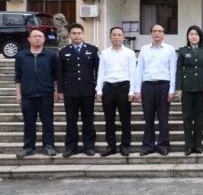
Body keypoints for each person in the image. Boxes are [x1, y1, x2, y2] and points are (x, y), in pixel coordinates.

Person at [133, 24, 177, 156]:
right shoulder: (144, 49)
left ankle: (163, 145)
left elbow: (173, 70)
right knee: (148, 118)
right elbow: (139, 70)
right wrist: (137, 90)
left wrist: (172, 90)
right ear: (151, 33)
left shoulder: (170, 49)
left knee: (163, 118)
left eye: (160, 31)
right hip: (147, 86)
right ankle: (148, 145)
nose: (157, 33)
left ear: (163, 34)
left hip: (164, 86)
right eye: (154, 31)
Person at [58, 23, 100, 157]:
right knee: (71, 121)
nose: (77, 36)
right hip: (70, 92)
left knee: (88, 120)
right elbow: (60, 73)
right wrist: (60, 90)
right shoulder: (63, 51)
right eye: (74, 33)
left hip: (88, 91)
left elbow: (98, 71)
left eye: (79, 33)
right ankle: (71, 147)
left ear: (83, 34)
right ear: (69, 35)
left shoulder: (92, 50)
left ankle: (89, 146)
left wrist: (98, 89)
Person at [15, 28, 58, 158]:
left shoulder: (51, 55)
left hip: (46, 94)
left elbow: (55, 75)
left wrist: (56, 90)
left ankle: (48, 145)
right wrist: (18, 93)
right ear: (29, 39)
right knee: (29, 122)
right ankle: (28, 147)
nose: (37, 38)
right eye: (35, 36)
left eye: (40, 36)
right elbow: (18, 76)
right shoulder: (21, 56)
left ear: (44, 39)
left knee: (48, 122)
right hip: (27, 95)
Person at [96, 26, 136, 157]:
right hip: (108, 87)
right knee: (109, 119)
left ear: (123, 37)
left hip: (124, 87)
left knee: (125, 119)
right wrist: (99, 89)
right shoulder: (104, 53)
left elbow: (133, 73)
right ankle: (111, 146)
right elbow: (101, 72)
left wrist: (132, 91)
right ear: (110, 37)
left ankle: (125, 145)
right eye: (114, 35)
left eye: (119, 35)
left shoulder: (129, 53)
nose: (117, 37)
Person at [175, 25, 203, 156]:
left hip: (201, 87)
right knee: (187, 117)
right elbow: (179, 70)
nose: (194, 36)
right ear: (188, 36)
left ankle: (198, 145)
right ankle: (188, 146)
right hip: (187, 88)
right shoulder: (183, 50)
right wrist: (178, 88)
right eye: (191, 34)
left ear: (200, 36)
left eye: (196, 34)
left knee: (199, 117)